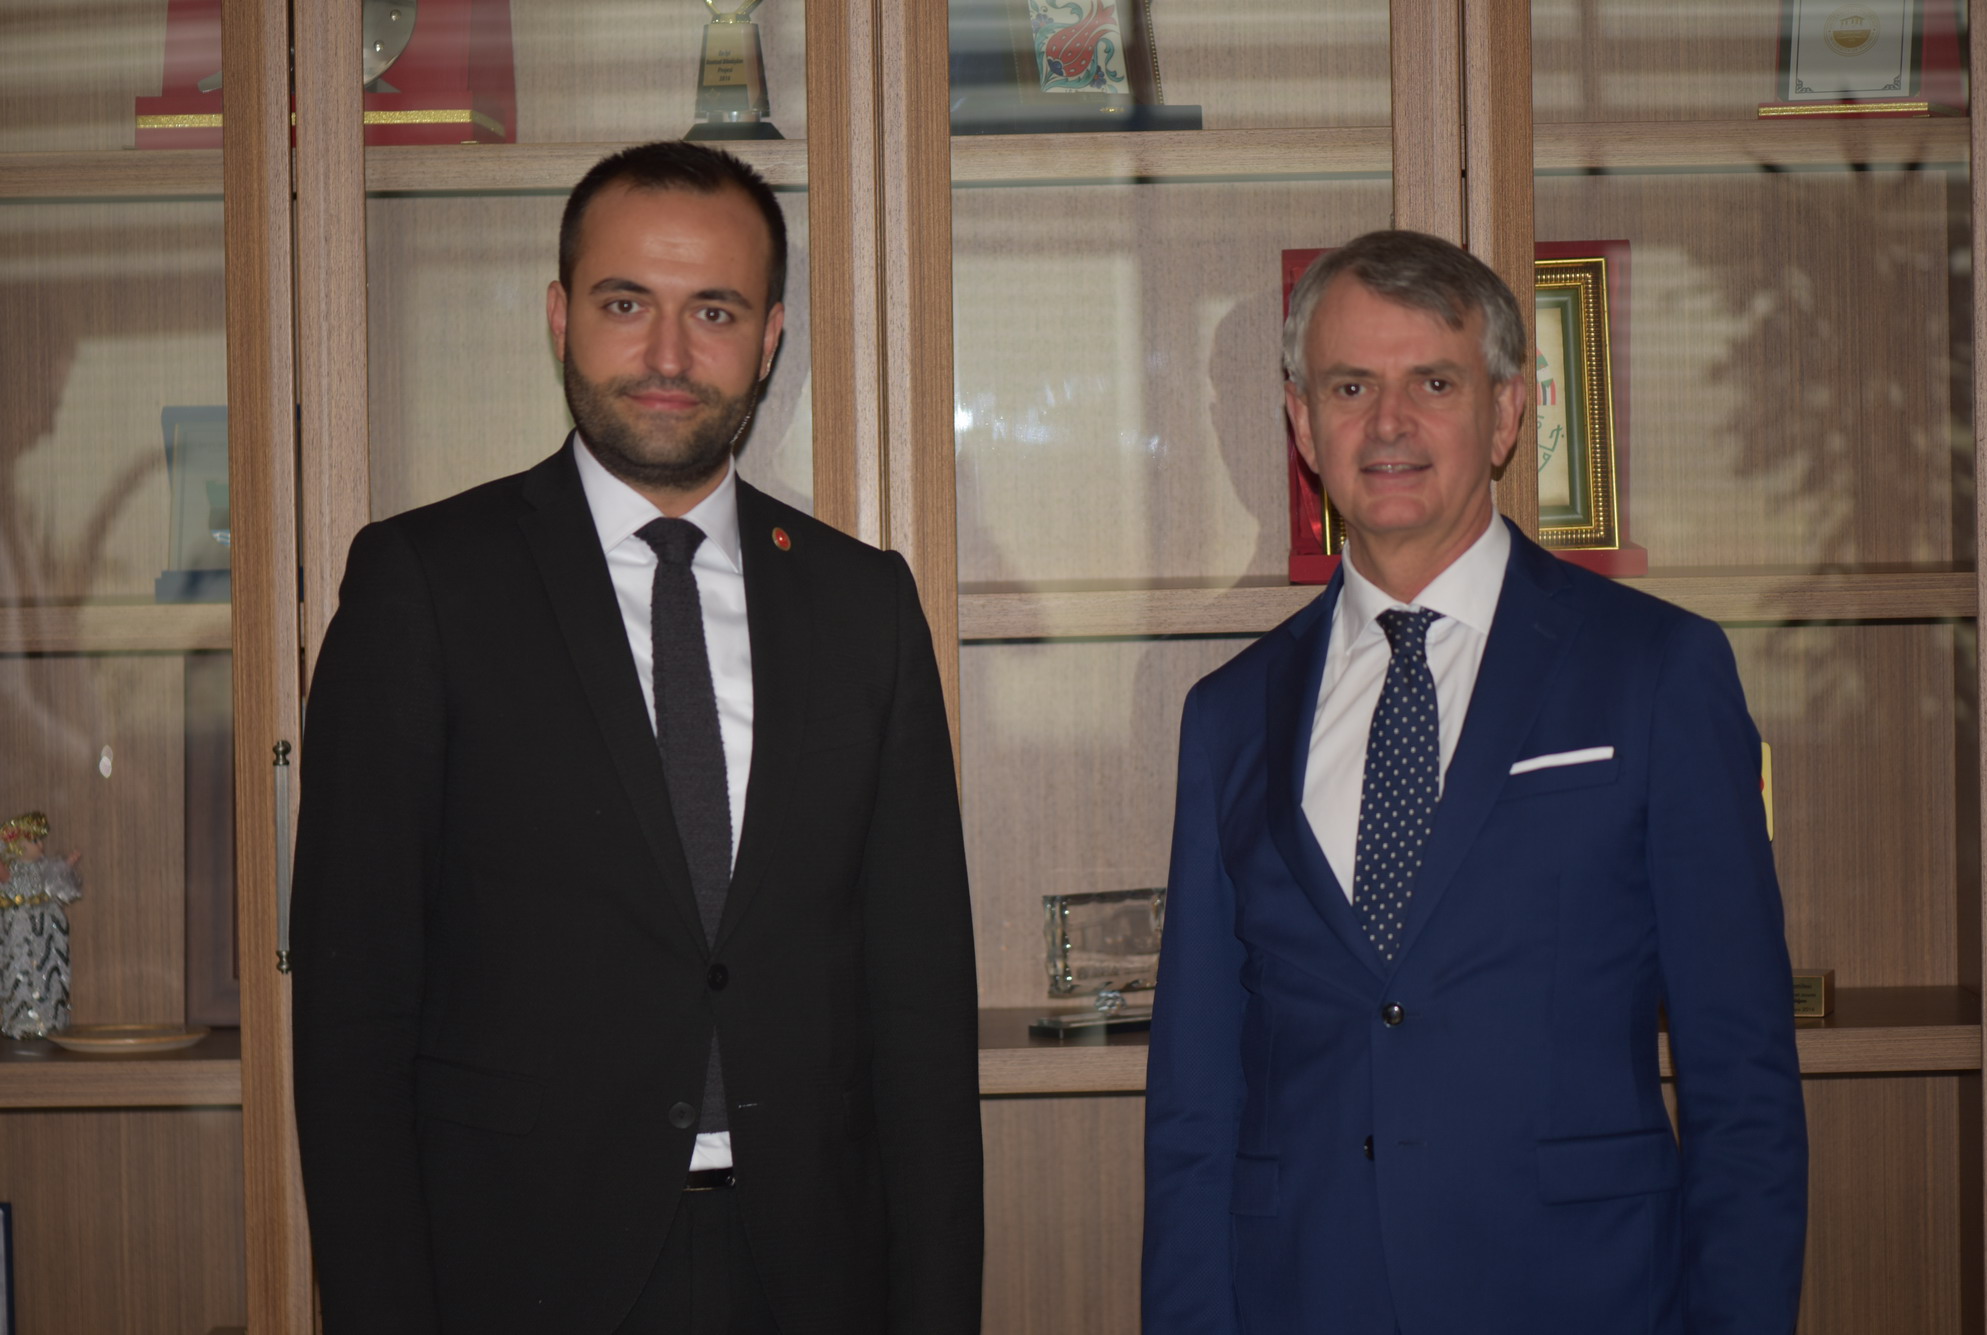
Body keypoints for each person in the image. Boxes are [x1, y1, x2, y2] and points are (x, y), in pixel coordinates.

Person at [291, 141, 983, 1335]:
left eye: (712, 311)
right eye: (626, 305)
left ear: (768, 339)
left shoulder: (862, 604)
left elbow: (919, 1013)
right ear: (561, 317)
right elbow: (354, 1017)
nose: (667, 356)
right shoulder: (426, 586)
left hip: (814, 1269)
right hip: (518, 1271)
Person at [1141, 230, 1806, 1333]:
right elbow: (1194, 1106)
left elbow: (1741, 1078)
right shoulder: (1229, 715)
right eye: (1350, 385)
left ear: (1505, 413)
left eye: (1434, 384)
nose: (1389, 423)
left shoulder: (1656, 671)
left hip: (1584, 1295)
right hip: (1305, 1297)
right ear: (1301, 421)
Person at [0, 811, 82, 1040]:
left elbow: (56, 879)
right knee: (21, 970)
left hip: (45, 927)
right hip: (21, 928)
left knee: (47, 971)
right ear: (18, 846)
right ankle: (22, 1018)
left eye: (39, 840)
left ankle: (49, 1016)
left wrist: (68, 863)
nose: (40, 845)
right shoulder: (13, 870)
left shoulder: (43, 866)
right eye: (34, 840)